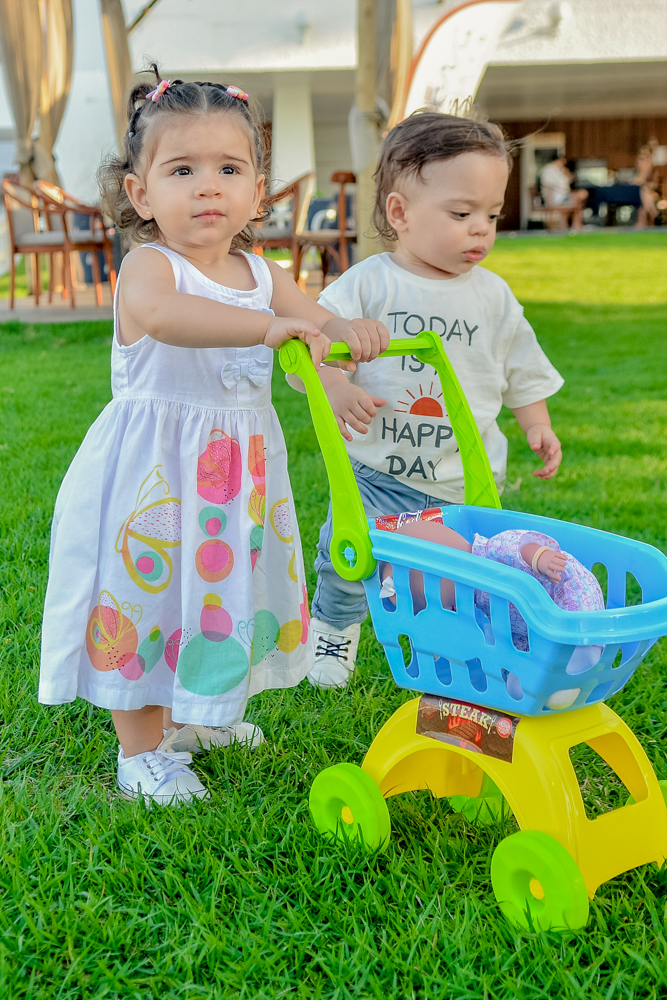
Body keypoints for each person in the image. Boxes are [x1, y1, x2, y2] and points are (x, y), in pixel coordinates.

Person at [38, 68, 388, 805]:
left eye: (229, 169)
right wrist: (268, 327)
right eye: (182, 169)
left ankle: (199, 715)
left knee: (222, 593)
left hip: (236, 481)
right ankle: (141, 752)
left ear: (256, 192)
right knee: (149, 599)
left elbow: (310, 338)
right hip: (157, 478)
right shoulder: (148, 268)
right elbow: (170, 321)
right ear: (140, 194)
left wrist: (338, 358)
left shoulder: (264, 274)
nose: (207, 186)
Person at [304, 110, 564, 688]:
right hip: (377, 468)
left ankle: (449, 644)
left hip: (462, 475)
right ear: (400, 213)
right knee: (347, 553)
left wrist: (536, 424)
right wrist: (336, 383)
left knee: (460, 571)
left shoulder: (493, 297)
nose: (481, 229)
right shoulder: (369, 285)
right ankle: (333, 631)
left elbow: (521, 367)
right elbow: (313, 349)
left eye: (491, 215)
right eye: (462, 213)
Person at [539, 156, 587, 230]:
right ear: (558, 161)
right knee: (578, 199)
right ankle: (576, 224)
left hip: (564, 195)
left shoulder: (559, 170)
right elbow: (548, 186)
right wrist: (561, 190)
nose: (563, 164)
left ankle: (574, 224)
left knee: (582, 195)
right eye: (562, 162)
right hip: (557, 197)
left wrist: (567, 175)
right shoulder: (549, 170)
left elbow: (566, 182)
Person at [634, 143, 659, 228]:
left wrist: (646, 187)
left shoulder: (653, 172)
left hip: (650, 194)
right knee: (644, 195)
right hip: (638, 194)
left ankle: (641, 223)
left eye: (644, 159)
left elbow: (654, 185)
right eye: (640, 159)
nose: (642, 162)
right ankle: (652, 212)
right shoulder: (637, 172)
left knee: (645, 195)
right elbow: (636, 183)